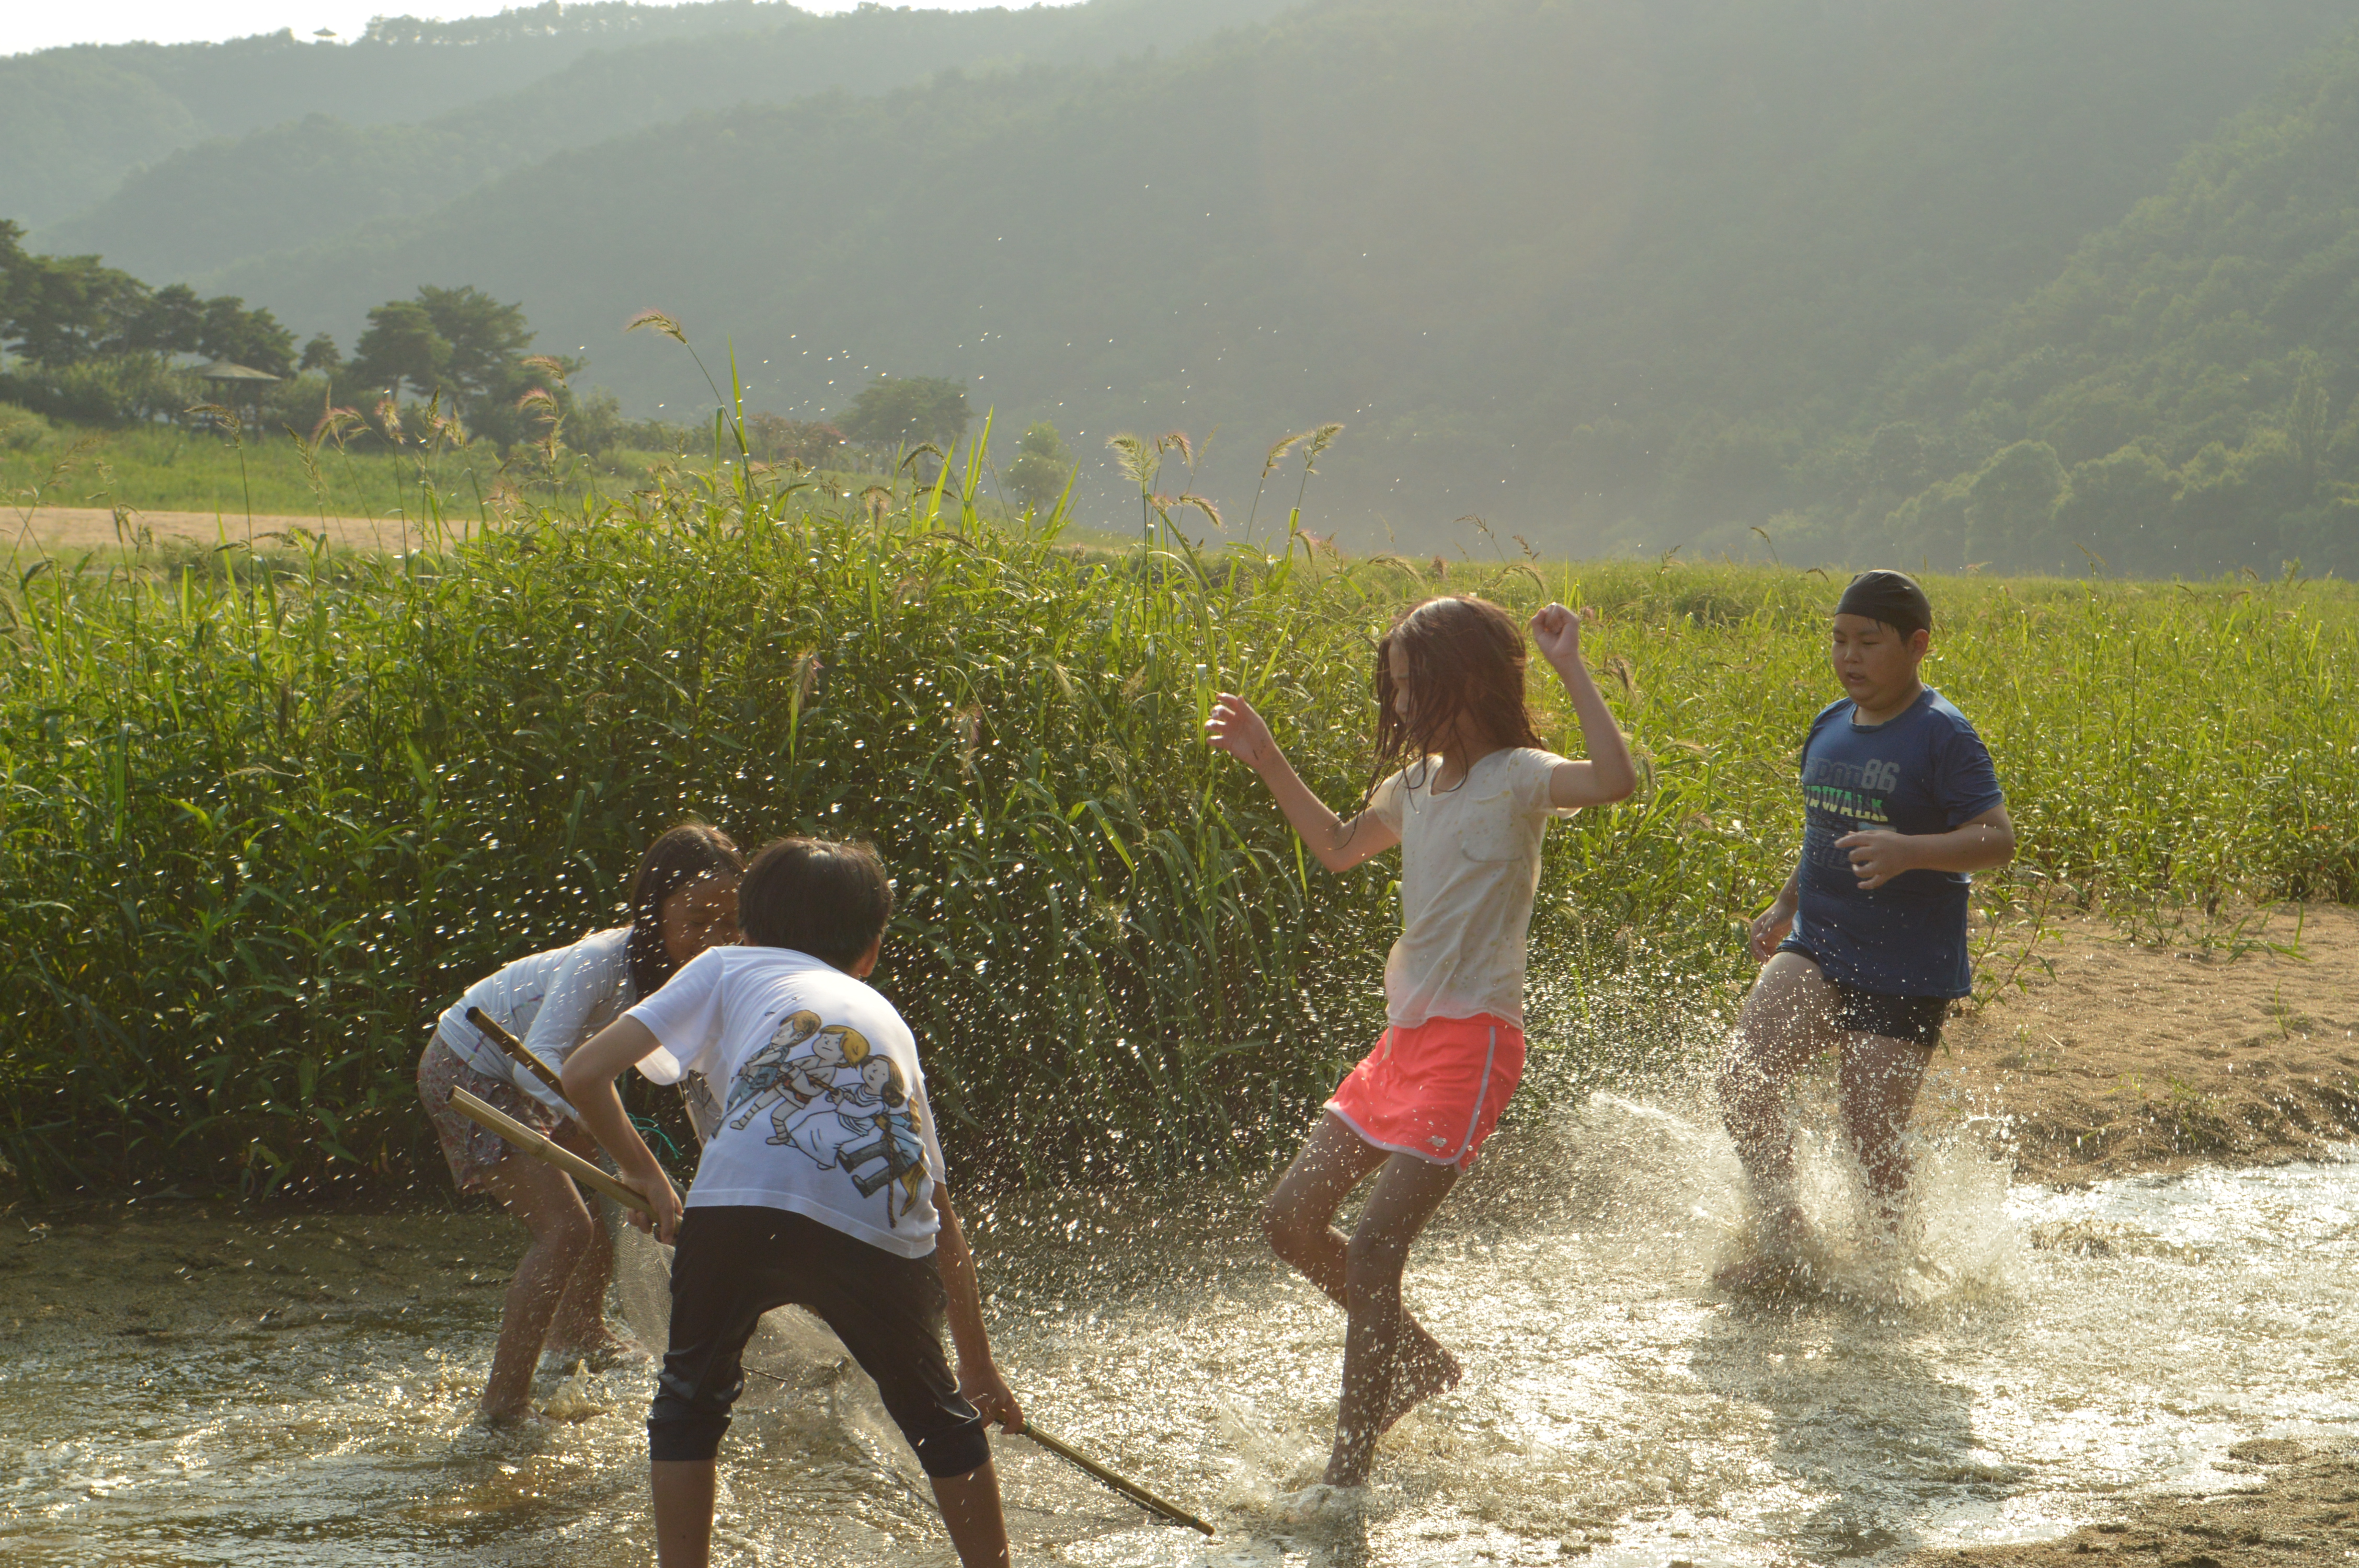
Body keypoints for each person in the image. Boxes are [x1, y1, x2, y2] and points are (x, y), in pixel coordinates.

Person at [1204, 596, 1636, 1491]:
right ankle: (1414, 1362)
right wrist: (1266, 757)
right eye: (1392, 690)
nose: (1398, 707)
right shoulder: (1408, 789)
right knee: (1288, 1220)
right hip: (1399, 1047)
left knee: (1371, 1250)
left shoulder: (1520, 776)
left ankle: (1344, 1476)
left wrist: (1570, 668)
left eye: (1411, 687)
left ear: (1468, 680)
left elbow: (1613, 780)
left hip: (1473, 1045)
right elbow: (1333, 846)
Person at [560, 836, 1024, 1568]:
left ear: (746, 930)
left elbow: (584, 1073)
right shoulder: (885, 1019)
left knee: (688, 1403)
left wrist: (647, 1177)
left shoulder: (722, 965)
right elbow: (939, 1213)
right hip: (876, 1216)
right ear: (871, 951)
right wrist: (980, 1369)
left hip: (736, 1201)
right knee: (939, 1418)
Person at [1715, 569, 2013, 1285]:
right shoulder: (1830, 723)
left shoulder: (1944, 733)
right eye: (1839, 640)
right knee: (1741, 1079)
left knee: (1869, 1128)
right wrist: (1786, 904)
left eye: (1867, 643)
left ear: (1917, 646)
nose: (1848, 656)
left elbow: (1997, 839)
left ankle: (1890, 1270)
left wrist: (1912, 852)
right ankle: (1784, 1244)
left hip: (1908, 961)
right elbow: (1826, 829)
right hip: (1818, 940)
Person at [416, 822, 744, 1423]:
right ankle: (503, 1408)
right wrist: (619, 1151)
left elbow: (703, 1090)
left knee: (602, 1203)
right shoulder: (602, 962)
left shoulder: (697, 978)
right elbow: (535, 1073)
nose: (713, 939)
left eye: (729, 924)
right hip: (469, 1066)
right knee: (566, 1228)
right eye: (696, 922)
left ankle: (579, 1333)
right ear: (653, 914)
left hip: (546, 1078)